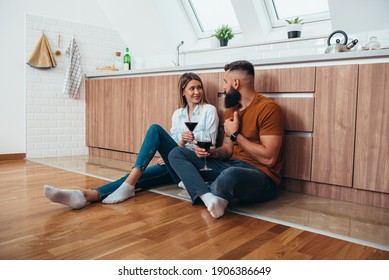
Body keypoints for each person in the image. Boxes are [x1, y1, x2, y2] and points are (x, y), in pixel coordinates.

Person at [44, 72, 219, 209]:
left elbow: (210, 146)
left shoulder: (209, 111)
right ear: (183, 91)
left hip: (194, 165)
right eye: (192, 88)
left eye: (199, 88)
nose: (197, 92)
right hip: (174, 165)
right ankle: (83, 196)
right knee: (134, 178)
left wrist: (187, 144)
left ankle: (127, 186)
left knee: (155, 130)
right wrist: (178, 144)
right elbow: (173, 144)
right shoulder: (178, 114)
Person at [168, 60, 284, 219]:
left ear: (235, 83)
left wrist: (236, 135)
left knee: (230, 175)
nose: (223, 87)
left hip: (260, 176)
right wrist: (209, 153)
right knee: (176, 153)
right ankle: (207, 196)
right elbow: (227, 150)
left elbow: (270, 158)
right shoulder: (232, 110)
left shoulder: (268, 109)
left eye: (225, 82)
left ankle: (201, 186)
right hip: (230, 166)